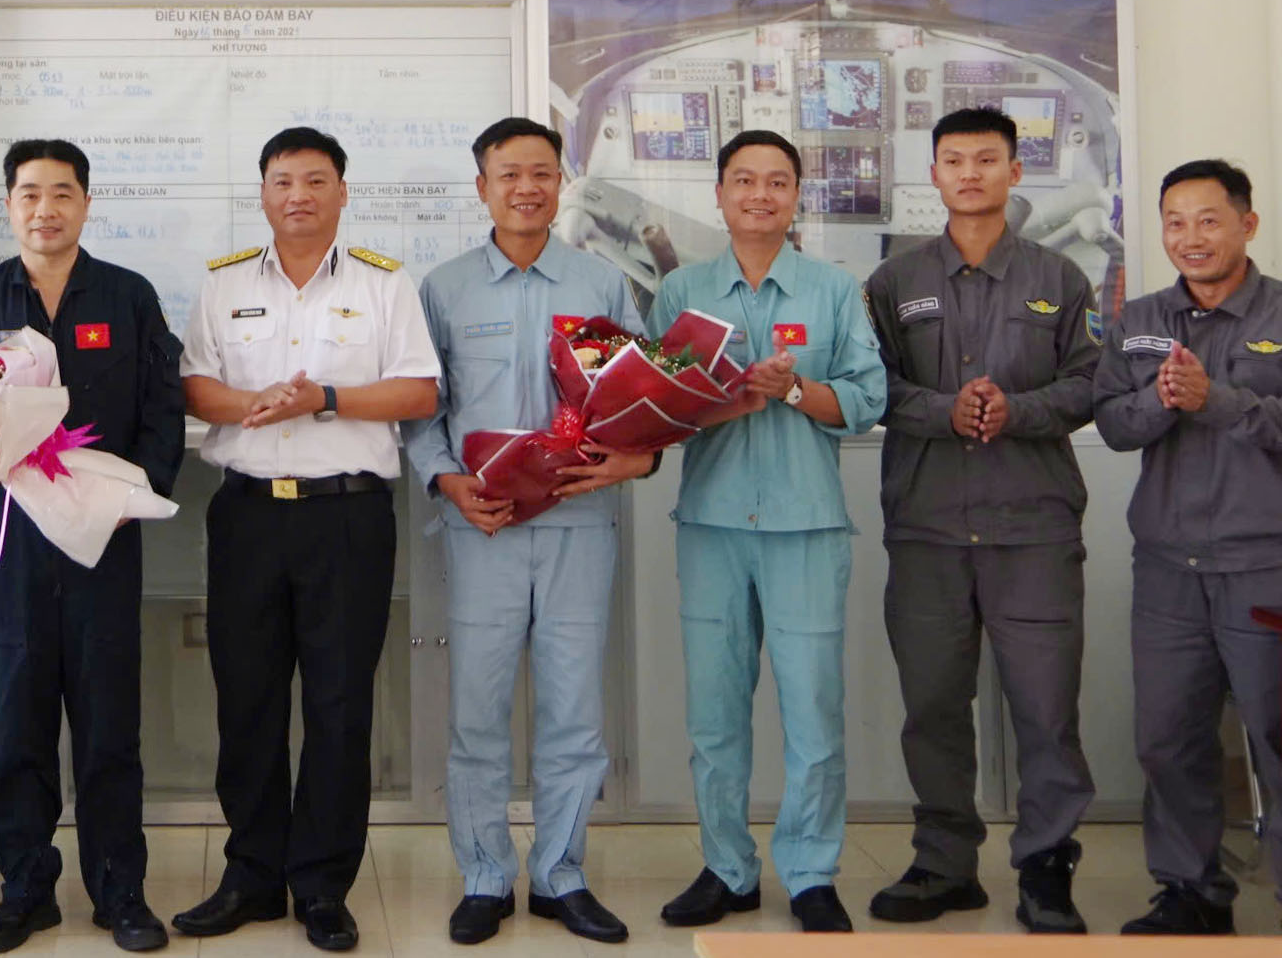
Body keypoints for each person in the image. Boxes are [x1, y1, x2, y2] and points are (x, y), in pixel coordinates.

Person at [175, 127, 440, 954]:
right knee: (247, 699)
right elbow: (194, 385)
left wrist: (322, 396)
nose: (299, 194)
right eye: (283, 180)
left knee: (338, 703)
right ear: (262, 193)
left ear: (342, 192)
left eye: (316, 179)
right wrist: (257, 404)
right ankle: (252, 874)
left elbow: (419, 391)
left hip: (347, 517)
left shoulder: (384, 283)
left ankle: (323, 884)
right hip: (247, 515)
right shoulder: (222, 284)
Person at [404, 118, 656, 947]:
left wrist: (634, 458)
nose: (526, 187)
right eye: (508, 173)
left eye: (542, 172)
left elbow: (641, 397)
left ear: (561, 183)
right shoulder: (444, 289)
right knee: (476, 709)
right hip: (483, 527)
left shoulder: (602, 283)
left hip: (581, 522)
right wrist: (446, 481)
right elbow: (423, 410)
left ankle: (560, 874)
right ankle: (484, 873)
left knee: (574, 707)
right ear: (481, 186)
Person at [0, 140, 185, 955]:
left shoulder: (128, 295)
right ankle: (25, 889)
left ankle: (121, 891)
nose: (46, 209)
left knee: (109, 724)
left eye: (63, 193)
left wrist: (130, 498)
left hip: (102, 539)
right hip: (10, 541)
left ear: (86, 202)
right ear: (8, 205)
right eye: (30, 193)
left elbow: (163, 411)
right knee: (18, 722)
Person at [1093, 160, 1282, 937]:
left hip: (1274, 567)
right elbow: (1112, 422)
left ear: (1247, 223)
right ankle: (1192, 893)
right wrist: (1161, 399)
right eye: (1175, 221)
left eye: (1209, 219)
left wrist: (1220, 401)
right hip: (1169, 568)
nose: (1191, 237)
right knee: (1167, 738)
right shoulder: (1140, 318)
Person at [863, 108, 1100, 933]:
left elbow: (1092, 382)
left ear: (1014, 171)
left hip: (1033, 528)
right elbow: (869, 384)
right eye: (954, 160)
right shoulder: (894, 280)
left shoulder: (1059, 278)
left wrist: (1017, 408)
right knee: (932, 703)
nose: (970, 173)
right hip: (927, 526)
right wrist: (944, 409)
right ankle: (943, 862)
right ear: (933, 174)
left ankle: (1046, 865)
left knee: (1046, 707)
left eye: (987, 159)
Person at [650, 129, 885, 936]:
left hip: (805, 526)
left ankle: (812, 872)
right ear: (719, 194)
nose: (760, 194)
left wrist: (791, 390)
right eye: (744, 180)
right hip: (712, 525)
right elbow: (651, 409)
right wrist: (719, 398)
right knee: (715, 714)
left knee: (813, 709)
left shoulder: (834, 290)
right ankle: (727, 867)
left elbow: (866, 400)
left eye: (777, 181)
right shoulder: (681, 291)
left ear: (796, 197)